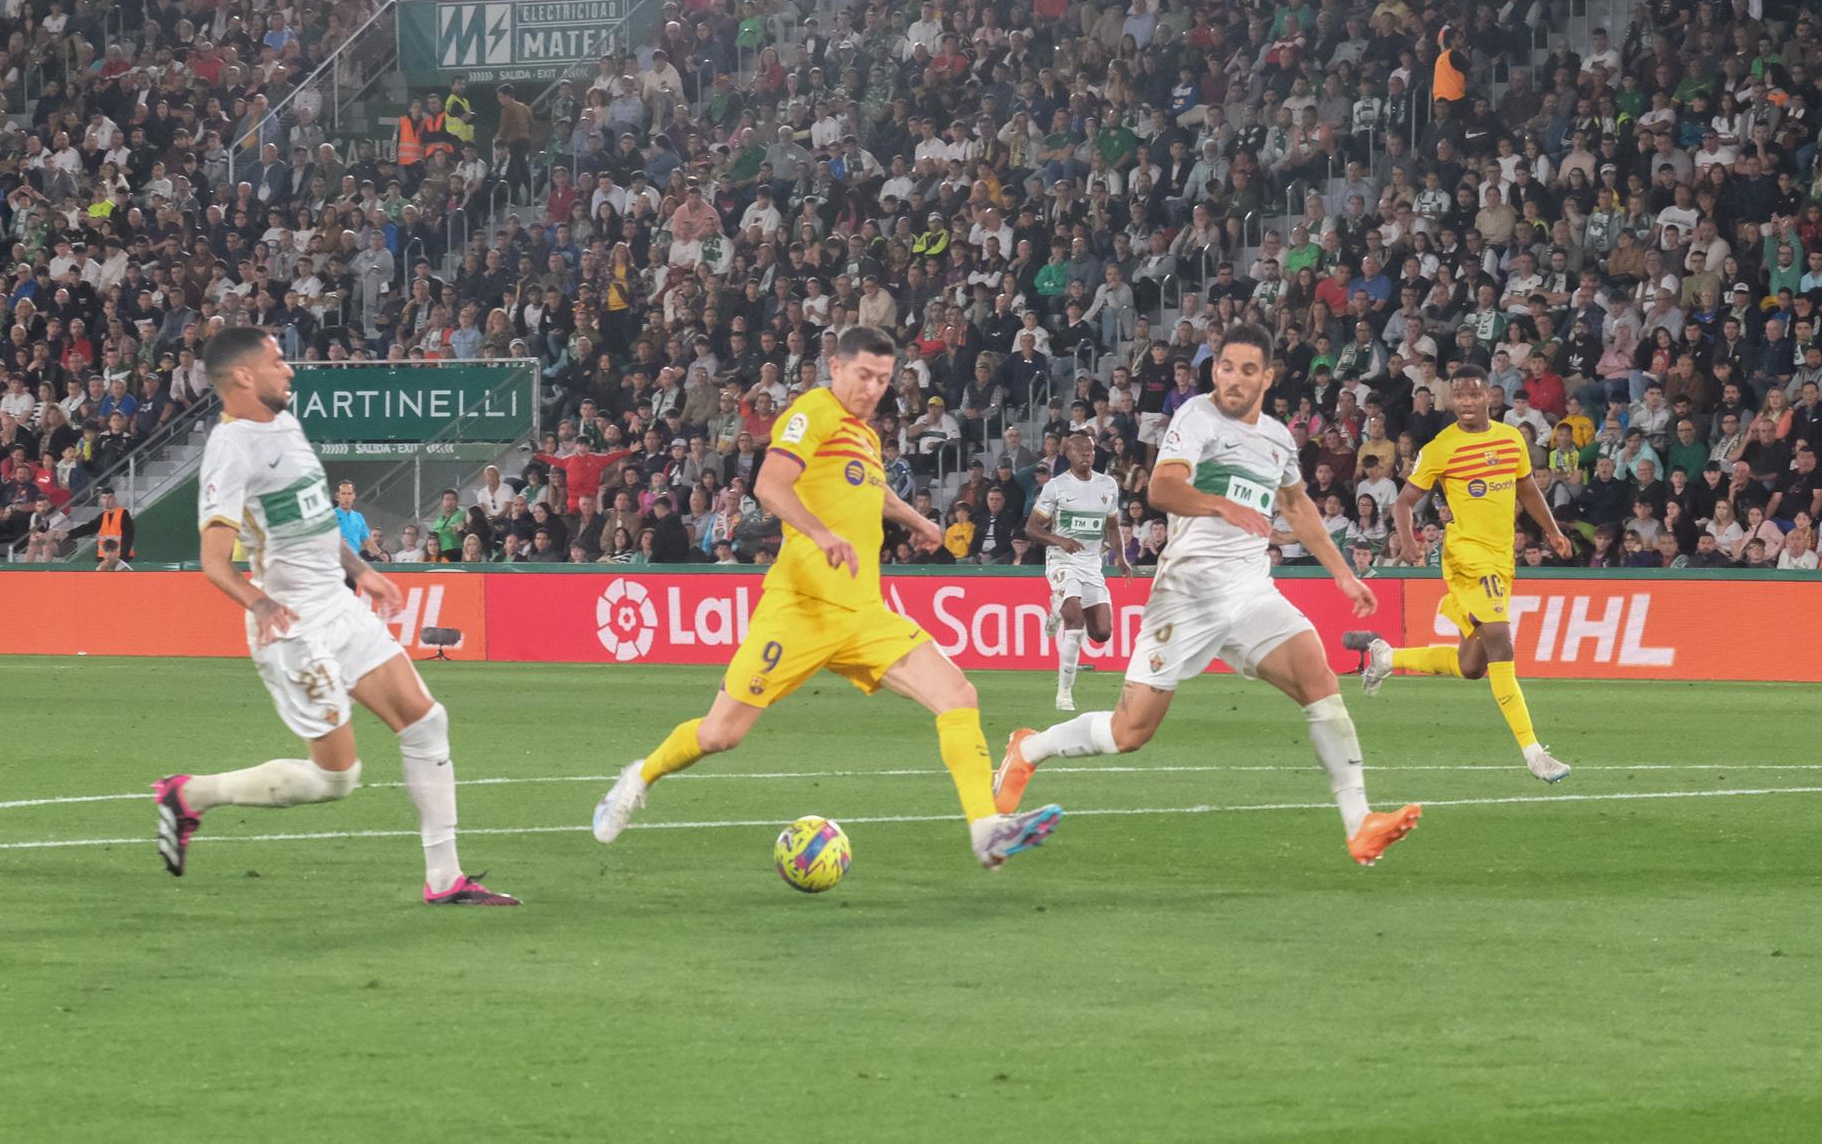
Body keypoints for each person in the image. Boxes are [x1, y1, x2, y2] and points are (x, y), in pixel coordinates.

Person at [591, 326, 1065, 870]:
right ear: (835, 367)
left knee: (958, 696)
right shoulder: (811, 412)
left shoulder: (862, 434)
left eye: (884, 380)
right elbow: (769, 485)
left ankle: (986, 829)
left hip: (863, 613)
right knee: (721, 733)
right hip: (800, 609)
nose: (873, 389)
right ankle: (638, 778)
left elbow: (870, 487)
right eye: (864, 375)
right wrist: (818, 533)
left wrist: (917, 521)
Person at [992, 324, 1422, 867]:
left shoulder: (1276, 438)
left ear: (1268, 375)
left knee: (1321, 684)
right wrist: (1219, 505)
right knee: (1130, 732)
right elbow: (1161, 489)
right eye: (1226, 367)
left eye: (1248, 370)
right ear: (1213, 369)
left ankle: (1360, 824)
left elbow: (1296, 507)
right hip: (1187, 593)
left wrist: (1341, 573)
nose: (1234, 379)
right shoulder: (1198, 416)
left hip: (1249, 591)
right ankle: (1028, 749)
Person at [153, 326, 519, 906]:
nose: (289, 369)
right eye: (277, 361)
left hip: (337, 605)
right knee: (337, 778)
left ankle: (446, 879)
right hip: (293, 627)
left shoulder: (286, 423)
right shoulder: (230, 450)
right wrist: (262, 603)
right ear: (243, 376)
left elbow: (313, 515)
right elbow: (214, 561)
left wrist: (359, 570)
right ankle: (190, 795)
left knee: (427, 723)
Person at [1348, 364, 1576, 783]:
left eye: (1474, 394)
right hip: (1467, 555)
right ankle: (1532, 751)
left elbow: (1527, 488)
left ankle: (1387, 657)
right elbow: (1403, 502)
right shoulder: (1440, 447)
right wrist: (1410, 539)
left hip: (1501, 556)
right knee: (1500, 640)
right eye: (1460, 395)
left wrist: (1553, 530)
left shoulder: (1510, 440)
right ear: (1451, 399)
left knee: (1472, 665)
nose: (1467, 402)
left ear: (1489, 394)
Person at [1025, 431, 1129, 712]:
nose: (1086, 453)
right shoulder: (1056, 487)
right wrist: (1059, 539)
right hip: (1062, 561)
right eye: (1080, 449)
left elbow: (1111, 526)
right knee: (1075, 621)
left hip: (1092, 565)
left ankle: (1056, 607)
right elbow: (1031, 529)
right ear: (1067, 454)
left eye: (1090, 449)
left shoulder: (1107, 485)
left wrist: (1120, 557)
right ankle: (1064, 695)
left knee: (1102, 633)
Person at [68, 485, 134, 560]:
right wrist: (69, 534)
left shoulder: (123, 514)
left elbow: (128, 537)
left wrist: (121, 557)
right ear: (101, 500)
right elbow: (89, 528)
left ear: (115, 499)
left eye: (110, 497)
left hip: (119, 558)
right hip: (105, 557)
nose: (107, 500)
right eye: (104, 498)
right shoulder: (103, 516)